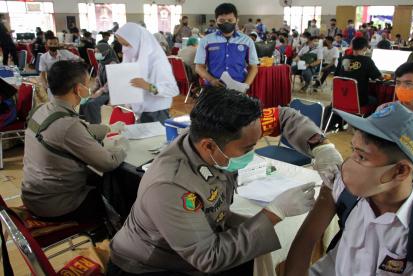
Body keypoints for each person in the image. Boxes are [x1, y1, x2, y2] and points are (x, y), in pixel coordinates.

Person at [108, 87, 343, 275]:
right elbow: (208, 258)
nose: (253, 153)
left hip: (198, 245)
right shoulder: (171, 186)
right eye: (248, 148)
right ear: (209, 146)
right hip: (150, 265)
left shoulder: (227, 132)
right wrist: (275, 212)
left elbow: (283, 116)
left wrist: (321, 147)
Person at [286, 101, 413, 276]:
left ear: (400, 171)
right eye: (353, 150)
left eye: (362, 156)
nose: (348, 163)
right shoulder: (343, 188)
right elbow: (306, 241)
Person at [21, 60, 127, 223]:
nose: (90, 87)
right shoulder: (68, 125)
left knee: (99, 179)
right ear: (78, 89)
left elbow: (80, 131)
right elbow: (108, 162)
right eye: (87, 83)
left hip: (34, 195)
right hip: (57, 205)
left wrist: (108, 128)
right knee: (119, 195)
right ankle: (115, 237)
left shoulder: (43, 109)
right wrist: (122, 147)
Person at [116, 23, 179, 123]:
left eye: (126, 44)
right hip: (139, 110)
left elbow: (172, 90)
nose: (124, 49)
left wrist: (147, 86)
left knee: (157, 138)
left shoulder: (157, 62)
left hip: (157, 111)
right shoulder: (133, 57)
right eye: (122, 45)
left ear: (138, 42)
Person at [195, 3, 259, 93]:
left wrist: (245, 86)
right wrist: (211, 80)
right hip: (213, 89)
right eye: (222, 20)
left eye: (230, 20)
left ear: (236, 20)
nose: (226, 23)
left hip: (239, 89)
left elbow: (253, 67)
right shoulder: (206, 41)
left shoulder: (247, 41)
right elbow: (199, 67)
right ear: (216, 21)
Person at [335, 37, 382, 107]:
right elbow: (378, 77)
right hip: (359, 101)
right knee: (376, 100)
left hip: (341, 98)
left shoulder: (343, 59)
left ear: (352, 47)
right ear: (365, 48)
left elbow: (336, 76)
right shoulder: (367, 61)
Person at [79, 43, 119, 124]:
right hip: (103, 90)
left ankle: (96, 125)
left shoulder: (113, 64)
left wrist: (99, 92)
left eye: (98, 52)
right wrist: (91, 91)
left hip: (111, 92)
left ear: (106, 52)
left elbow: (111, 82)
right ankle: (84, 123)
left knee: (92, 103)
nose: (96, 54)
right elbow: (97, 80)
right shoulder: (101, 63)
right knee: (83, 102)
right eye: (95, 52)